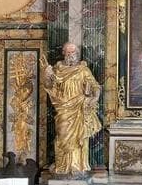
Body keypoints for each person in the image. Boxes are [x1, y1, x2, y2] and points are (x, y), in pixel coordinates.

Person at [41, 43, 101, 175]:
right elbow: (49, 86)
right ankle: (63, 165)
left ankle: (77, 165)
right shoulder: (57, 69)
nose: (70, 55)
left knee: (79, 137)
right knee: (62, 134)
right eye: (68, 52)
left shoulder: (83, 69)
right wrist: (47, 75)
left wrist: (95, 96)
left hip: (79, 106)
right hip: (63, 107)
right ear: (63, 53)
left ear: (77, 54)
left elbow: (94, 85)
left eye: (73, 52)